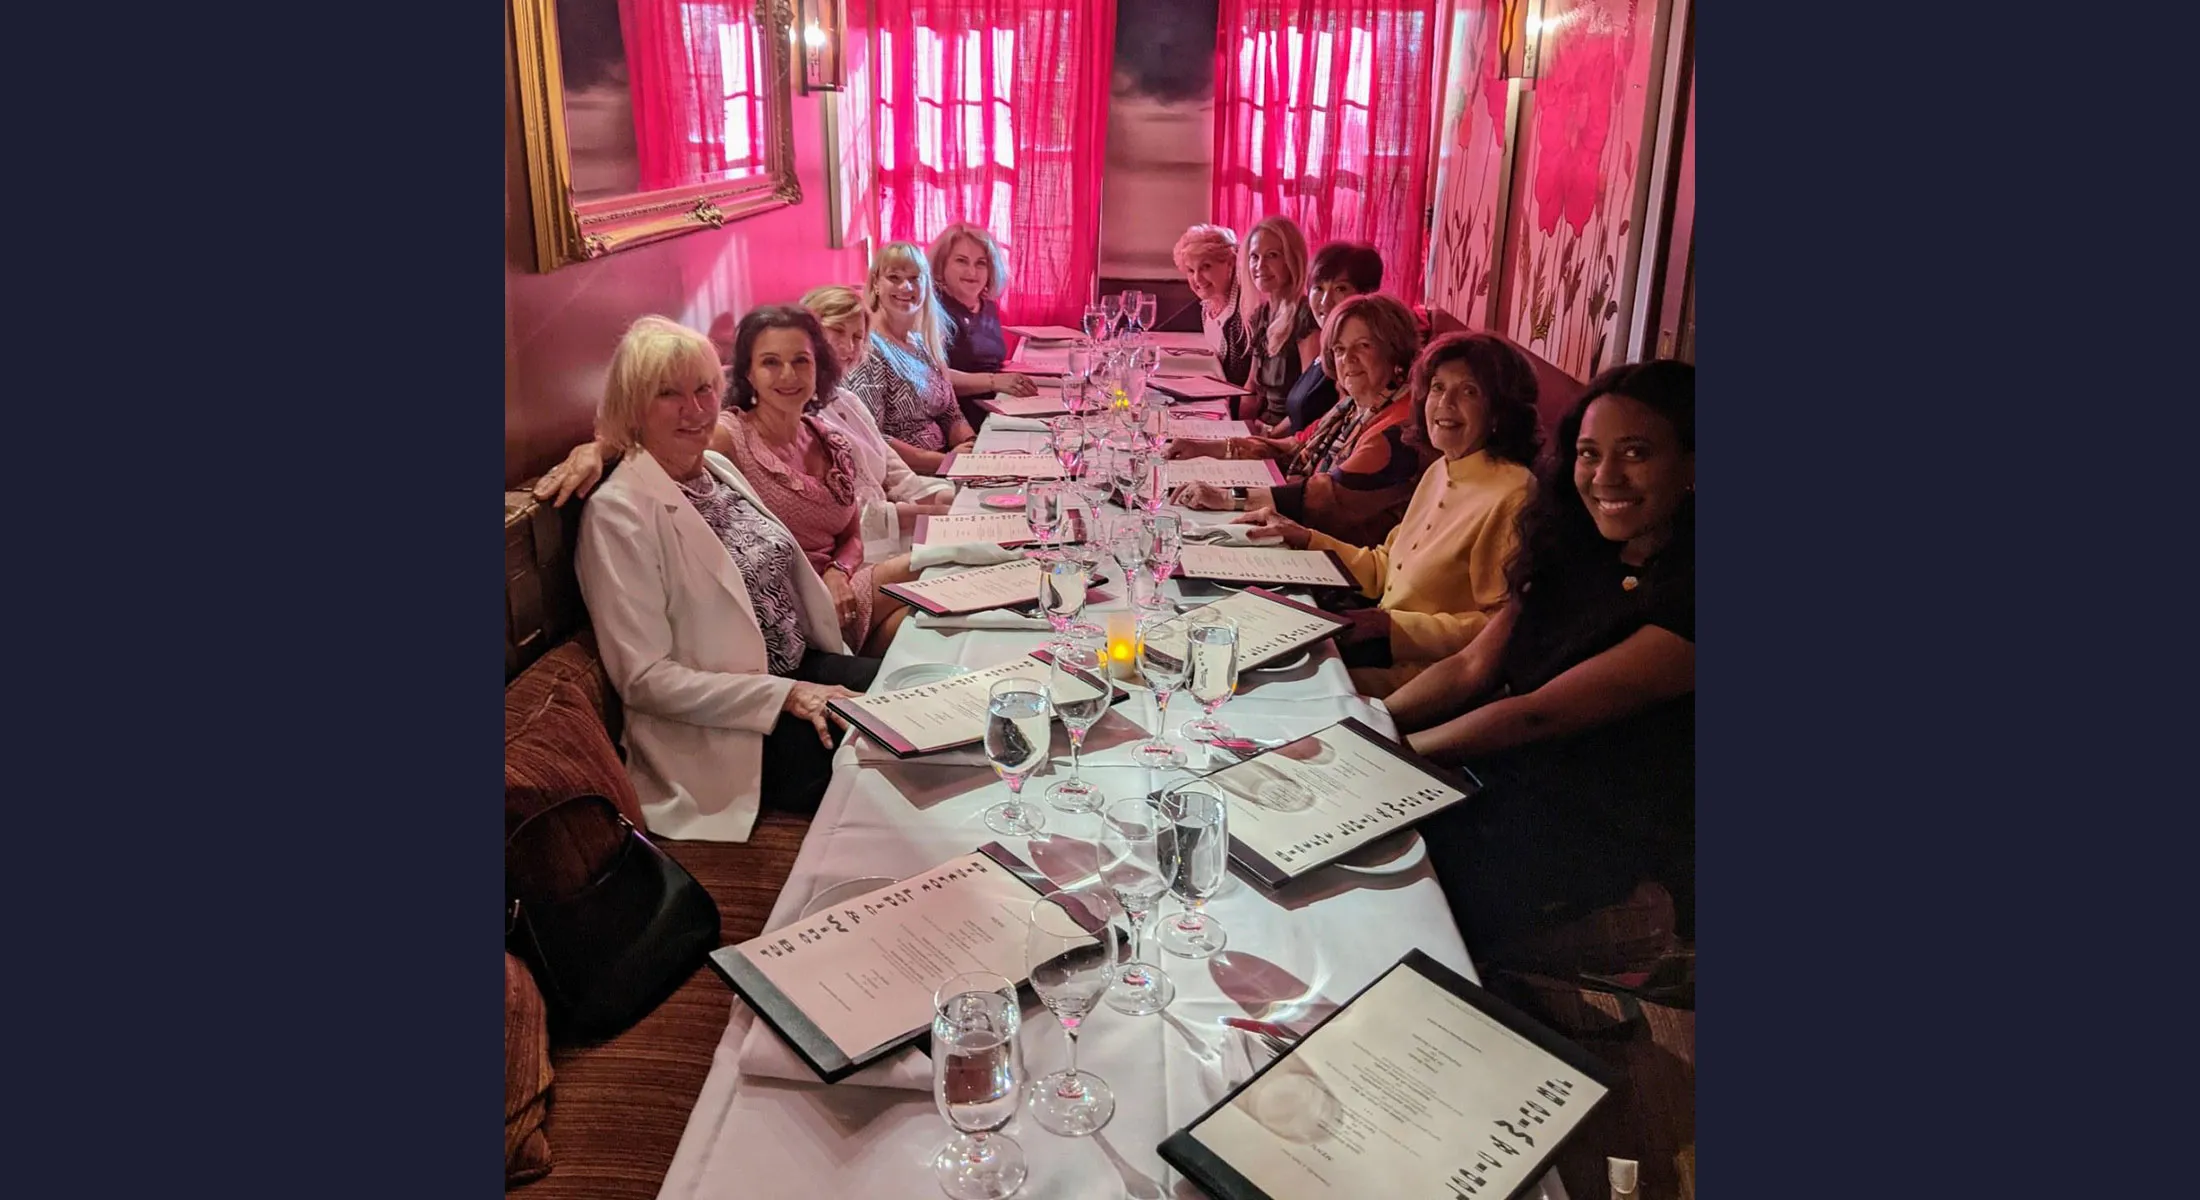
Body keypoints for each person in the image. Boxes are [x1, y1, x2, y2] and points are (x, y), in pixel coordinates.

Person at [1385, 360, 1696, 960]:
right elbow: (1472, 667)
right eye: (1588, 453)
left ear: (1691, 464)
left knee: (1387, 884)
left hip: (1600, 825)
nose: (1605, 476)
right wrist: (1367, 722)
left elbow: (1537, 715)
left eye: (1636, 453)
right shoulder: (1574, 548)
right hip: (1508, 778)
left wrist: (1390, 757)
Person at [574, 316, 881, 841]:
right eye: (667, 394)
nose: (694, 410)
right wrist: (785, 695)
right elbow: (644, 680)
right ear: (633, 405)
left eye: (703, 389)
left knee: (925, 692)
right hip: (733, 729)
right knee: (889, 765)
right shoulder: (618, 514)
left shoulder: (714, 467)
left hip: (800, 666)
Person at [1235, 332, 1540, 695]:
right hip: (1376, 648)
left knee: (1262, 687)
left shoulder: (1513, 492)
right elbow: (1384, 568)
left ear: (1499, 412)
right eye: (1438, 388)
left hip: (1425, 679)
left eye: (1469, 391)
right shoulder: (1442, 468)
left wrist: (1393, 627)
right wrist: (1304, 537)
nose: (1445, 402)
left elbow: (1498, 630)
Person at [708, 305, 920, 657]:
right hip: (793, 612)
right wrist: (599, 449)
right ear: (748, 374)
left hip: (844, 591)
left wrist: (839, 571)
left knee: (919, 623)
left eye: (801, 361)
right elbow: (661, 452)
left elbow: (852, 533)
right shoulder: (729, 438)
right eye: (771, 363)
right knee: (929, 568)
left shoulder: (829, 440)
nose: (788, 375)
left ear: (818, 367)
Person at [1175, 294, 1430, 548]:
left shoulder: (1398, 429)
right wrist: (1208, 447)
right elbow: (1294, 447)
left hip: (1347, 566)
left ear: (1395, 351)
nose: (1347, 359)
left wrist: (1226, 497)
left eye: (1364, 345)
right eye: (1339, 349)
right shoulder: (1354, 406)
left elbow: (1325, 498)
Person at [1171, 240, 1382, 456]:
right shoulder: (1327, 357)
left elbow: (1325, 459)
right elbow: (1305, 438)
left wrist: (1245, 444)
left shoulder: (1358, 364)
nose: (1325, 301)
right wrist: (1225, 446)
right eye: (1319, 288)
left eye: (1340, 288)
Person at [798, 284, 956, 543]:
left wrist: (950, 497)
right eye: (837, 331)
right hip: (862, 546)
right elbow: (848, 518)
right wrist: (932, 514)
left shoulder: (848, 401)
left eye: (857, 337)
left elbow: (900, 476)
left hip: (893, 529)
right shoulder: (803, 416)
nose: (848, 346)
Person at [844, 241, 978, 475]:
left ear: (926, 286)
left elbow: (951, 413)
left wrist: (974, 445)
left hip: (946, 465)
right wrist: (946, 461)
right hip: (907, 476)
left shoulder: (922, 342)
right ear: (876, 284)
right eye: (894, 277)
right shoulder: (869, 349)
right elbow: (872, 437)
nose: (906, 287)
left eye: (915, 278)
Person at [929, 222, 1039, 430]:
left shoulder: (987, 306)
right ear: (942, 266)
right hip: (959, 422)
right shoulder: (934, 311)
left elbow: (988, 362)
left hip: (999, 406)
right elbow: (934, 377)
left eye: (981, 263)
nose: (972, 271)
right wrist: (993, 381)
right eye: (962, 261)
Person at [1237, 216, 1323, 428]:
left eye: (1272, 256)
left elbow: (1310, 401)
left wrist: (1267, 439)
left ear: (1292, 260)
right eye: (1254, 256)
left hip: (1287, 436)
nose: (1260, 265)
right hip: (1262, 428)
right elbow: (1251, 389)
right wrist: (1238, 432)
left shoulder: (1305, 316)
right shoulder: (1262, 315)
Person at [1172, 224, 1254, 386]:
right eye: (1190, 270)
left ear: (1230, 263)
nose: (1197, 279)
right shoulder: (1207, 305)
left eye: (1206, 267)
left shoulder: (1245, 309)